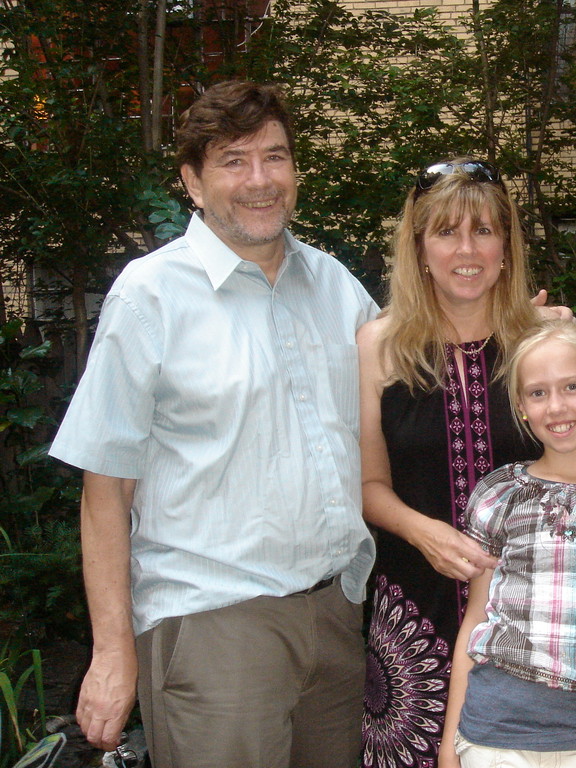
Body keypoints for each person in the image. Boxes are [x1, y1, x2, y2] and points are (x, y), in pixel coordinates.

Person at [49, 81, 376, 768]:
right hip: (214, 626)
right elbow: (104, 487)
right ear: (192, 182)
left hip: (336, 617)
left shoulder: (336, 285)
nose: (259, 180)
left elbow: (416, 385)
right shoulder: (150, 298)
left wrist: (521, 334)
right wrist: (113, 652)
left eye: (275, 156)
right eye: (234, 160)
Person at [359, 159, 564, 767]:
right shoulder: (379, 346)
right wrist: (423, 532)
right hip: (413, 609)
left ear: (507, 245)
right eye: (446, 232)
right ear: (420, 248)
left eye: (484, 230)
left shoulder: (545, 342)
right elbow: (368, 484)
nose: (466, 250)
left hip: (527, 611)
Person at [438, 319, 576, 768]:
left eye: (572, 387)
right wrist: (449, 745)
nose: (556, 407)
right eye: (538, 393)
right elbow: (476, 616)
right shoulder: (499, 493)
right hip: (492, 736)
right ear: (521, 405)